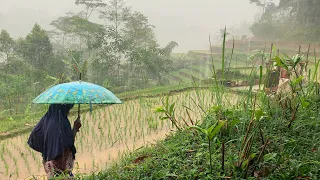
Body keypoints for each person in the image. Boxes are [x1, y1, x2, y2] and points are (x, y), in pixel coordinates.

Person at [27, 104, 82, 179]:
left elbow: (34, 137)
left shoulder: (46, 118)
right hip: (61, 166)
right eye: (68, 109)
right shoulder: (61, 121)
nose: (68, 111)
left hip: (49, 164)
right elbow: (68, 143)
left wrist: (47, 149)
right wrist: (75, 128)